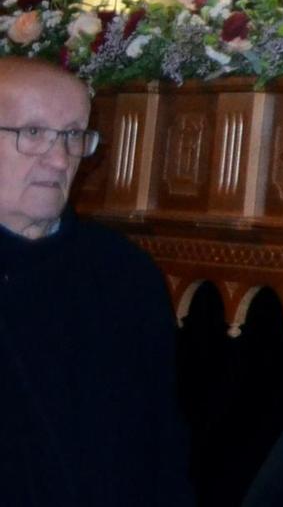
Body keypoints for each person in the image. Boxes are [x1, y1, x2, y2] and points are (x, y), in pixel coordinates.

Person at [0, 60, 192, 506]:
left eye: (72, 135)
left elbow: (161, 438)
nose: (59, 157)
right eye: (32, 133)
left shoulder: (122, 271)